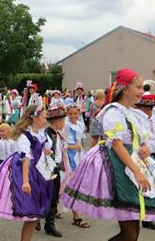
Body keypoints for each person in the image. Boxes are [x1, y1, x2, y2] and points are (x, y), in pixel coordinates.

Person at [61, 69, 155, 241]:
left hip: (132, 165)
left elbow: (142, 139)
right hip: (118, 167)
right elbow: (117, 144)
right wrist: (137, 171)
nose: (142, 91)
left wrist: (145, 148)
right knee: (129, 235)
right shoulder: (114, 112)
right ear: (125, 88)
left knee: (133, 233)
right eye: (139, 87)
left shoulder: (135, 113)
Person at [0, 105, 53, 241]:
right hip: (23, 172)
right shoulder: (25, 136)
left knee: (35, 214)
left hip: (39, 172)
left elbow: (45, 147)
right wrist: (26, 181)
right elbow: (25, 159)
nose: (46, 119)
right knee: (31, 212)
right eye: (44, 117)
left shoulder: (42, 134)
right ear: (34, 117)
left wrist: (46, 151)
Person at [60, 103, 90, 228]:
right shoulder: (64, 126)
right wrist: (73, 147)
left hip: (78, 155)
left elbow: (79, 141)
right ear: (67, 114)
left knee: (69, 184)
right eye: (71, 113)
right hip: (67, 156)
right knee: (70, 183)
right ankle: (76, 216)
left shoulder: (80, 125)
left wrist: (82, 151)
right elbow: (61, 143)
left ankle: (52, 209)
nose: (73, 116)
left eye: (75, 113)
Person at [43, 106, 67, 237]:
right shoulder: (46, 134)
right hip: (48, 169)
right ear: (56, 121)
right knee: (47, 195)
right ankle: (40, 220)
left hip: (56, 168)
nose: (64, 123)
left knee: (54, 196)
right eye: (62, 121)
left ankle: (49, 223)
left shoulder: (57, 134)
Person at [134, 94, 155, 230]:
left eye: (145, 108)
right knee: (144, 187)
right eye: (140, 107)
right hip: (139, 156)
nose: (142, 111)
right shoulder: (135, 120)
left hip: (152, 154)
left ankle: (148, 216)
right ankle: (145, 217)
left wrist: (149, 147)